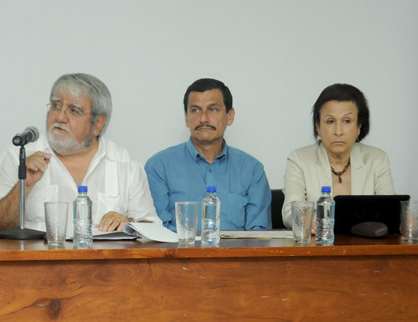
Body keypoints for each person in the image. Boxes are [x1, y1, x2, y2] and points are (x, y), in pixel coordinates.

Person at [0, 73, 159, 232]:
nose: (60, 117)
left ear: (98, 123)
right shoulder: (19, 157)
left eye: (74, 111)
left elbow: (152, 230)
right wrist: (23, 185)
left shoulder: (125, 165)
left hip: (104, 267)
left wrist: (128, 223)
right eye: (56, 106)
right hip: (35, 266)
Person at [145, 78, 271, 231]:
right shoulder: (159, 167)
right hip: (179, 254)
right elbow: (157, 231)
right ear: (186, 118)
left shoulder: (252, 170)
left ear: (229, 116)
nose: (203, 118)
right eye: (195, 110)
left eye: (213, 109)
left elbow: (259, 235)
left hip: (235, 254)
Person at [282, 83, 394, 228]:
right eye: (330, 121)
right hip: (319, 245)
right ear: (318, 126)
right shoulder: (299, 159)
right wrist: (309, 222)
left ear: (359, 127)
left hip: (365, 245)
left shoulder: (377, 159)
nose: (338, 131)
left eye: (347, 121)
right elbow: (290, 212)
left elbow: (390, 210)